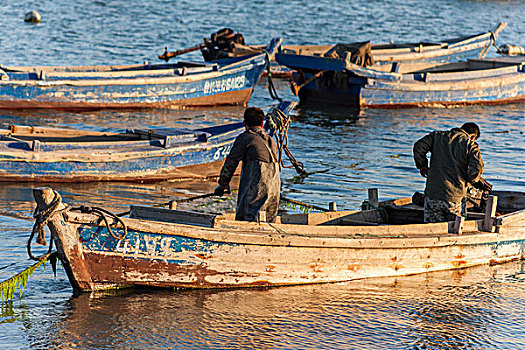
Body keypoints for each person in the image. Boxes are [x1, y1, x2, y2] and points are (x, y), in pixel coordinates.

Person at [413, 122, 491, 223]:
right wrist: (470, 180)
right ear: (473, 137)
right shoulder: (470, 144)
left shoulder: (437, 136)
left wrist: (422, 165)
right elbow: (477, 167)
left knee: (433, 229)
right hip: (455, 198)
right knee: (455, 230)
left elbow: (419, 147)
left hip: (432, 197)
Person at [214, 107, 281, 222]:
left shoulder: (245, 138)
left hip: (257, 189)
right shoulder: (271, 141)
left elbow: (231, 163)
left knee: (247, 218)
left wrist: (223, 184)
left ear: (244, 123)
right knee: (269, 221)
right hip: (275, 191)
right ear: (262, 123)